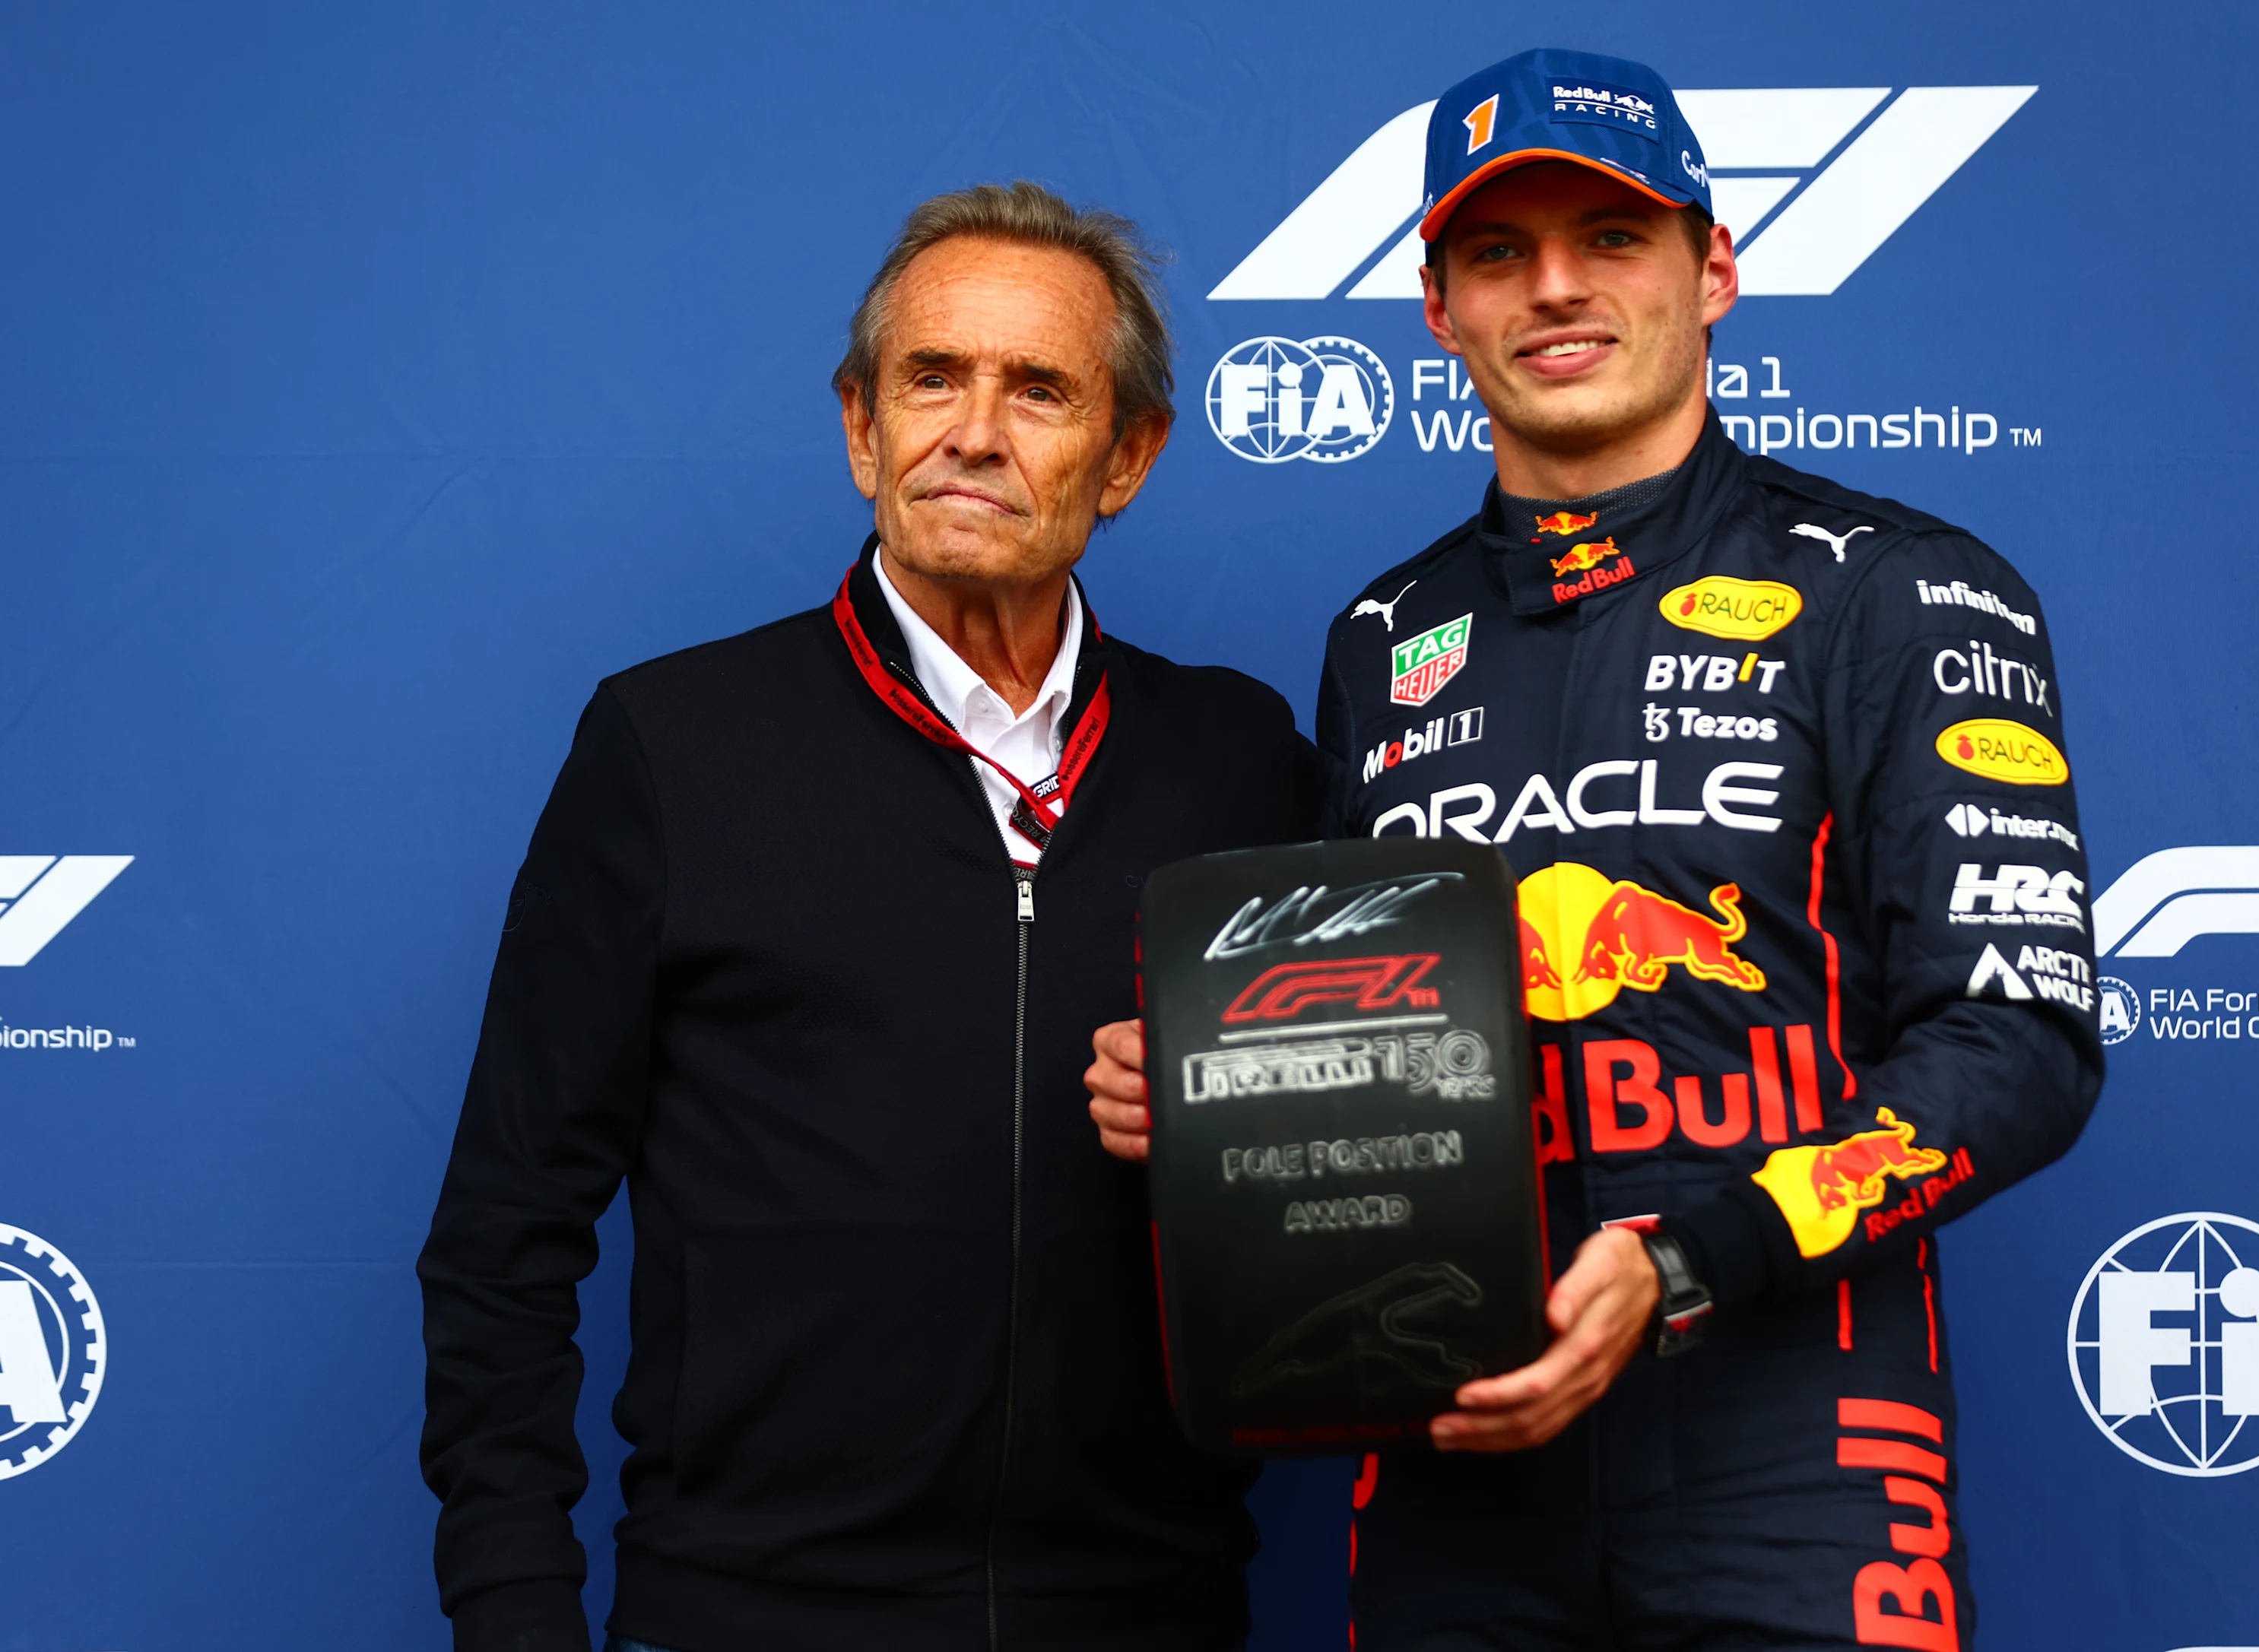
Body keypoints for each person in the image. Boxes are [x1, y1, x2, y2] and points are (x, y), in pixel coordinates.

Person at [1088, 50, 2100, 1650]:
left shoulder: (1898, 589)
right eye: (1498, 252)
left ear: (1713, 273)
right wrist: (1211, 1092)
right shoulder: (1381, 639)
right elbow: (1370, 1033)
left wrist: (1688, 1265)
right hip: (1451, 1453)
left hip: (1799, 1450)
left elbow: (2018, 1045)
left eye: (1610, 238)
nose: (1553, 289)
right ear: (1438, 308)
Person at [419, 181, 1320, 1652]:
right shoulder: (673, 744)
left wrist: (1240, 1134)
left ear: (1130, 455)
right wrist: (515, 1613)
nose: (975, 433)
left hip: (1150, 1611)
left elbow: (1348, 1178)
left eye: (1040, 388)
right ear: (861, 428)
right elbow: (505, 1229)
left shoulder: (1242, 760)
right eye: (931, 379)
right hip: (752, 1614)